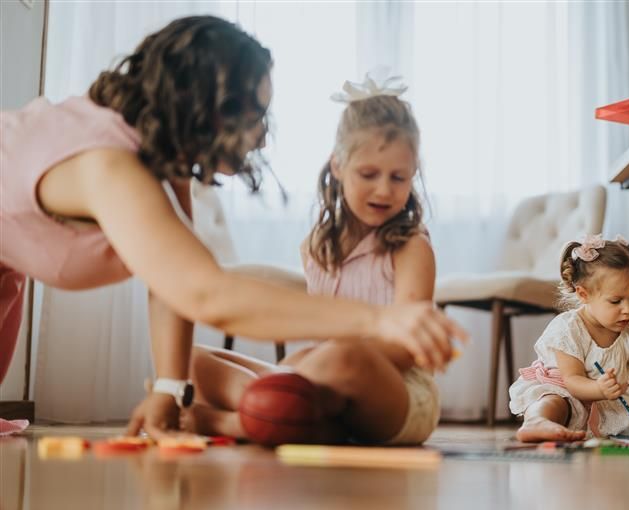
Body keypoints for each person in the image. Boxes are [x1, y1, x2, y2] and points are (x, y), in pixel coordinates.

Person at [0, 16, 466, 440]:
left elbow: (172, 284)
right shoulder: (107, 165)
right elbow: (206, 293)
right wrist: (380, 320)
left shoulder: (158, 157)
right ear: (204, 104)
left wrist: (170, 385)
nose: (262, 135)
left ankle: (261, 414)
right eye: (253, 114)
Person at [182, 73, 448, 445]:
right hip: (324, 380)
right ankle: (268, 412)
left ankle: (236, 420)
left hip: (397, 392)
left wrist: (313, 363)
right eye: (368, 174)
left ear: (413, 174)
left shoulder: (411, 246)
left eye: (399, 177)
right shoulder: (316, 246)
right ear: (338, 166)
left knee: (341, 358)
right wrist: (304, 367)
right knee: (191, 358)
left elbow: (406, 349)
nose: (384, 189)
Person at [509, 235, 629, 442]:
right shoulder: (568, 328)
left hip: (602, 401)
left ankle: (567, 428)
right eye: (615, 301)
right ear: (583, 295)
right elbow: (572, 380)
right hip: (565, 389)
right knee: (556, 401)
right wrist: (598, 388)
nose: (628, 309)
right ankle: (537, 422)